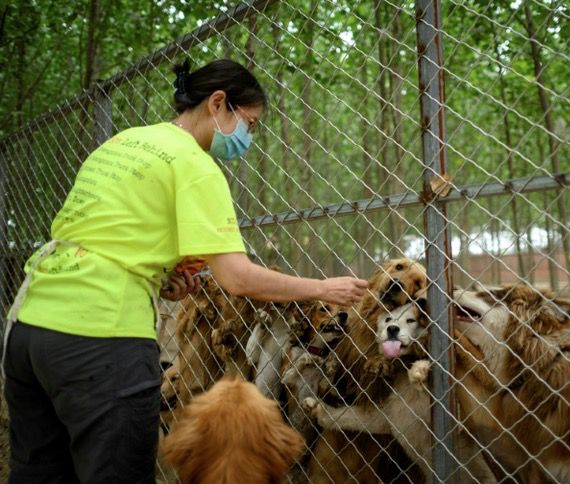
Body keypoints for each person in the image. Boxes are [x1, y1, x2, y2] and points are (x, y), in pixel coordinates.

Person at [2, 59, 369, 483]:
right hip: (101, 335)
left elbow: (104, 236)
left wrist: (158, 276)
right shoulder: (195, 165)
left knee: (39, 473)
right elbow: (238, 278)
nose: (248, 137)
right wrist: (321, 287)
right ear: (218, 103)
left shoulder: (124, 141)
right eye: (249, 124)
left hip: (30, 327)